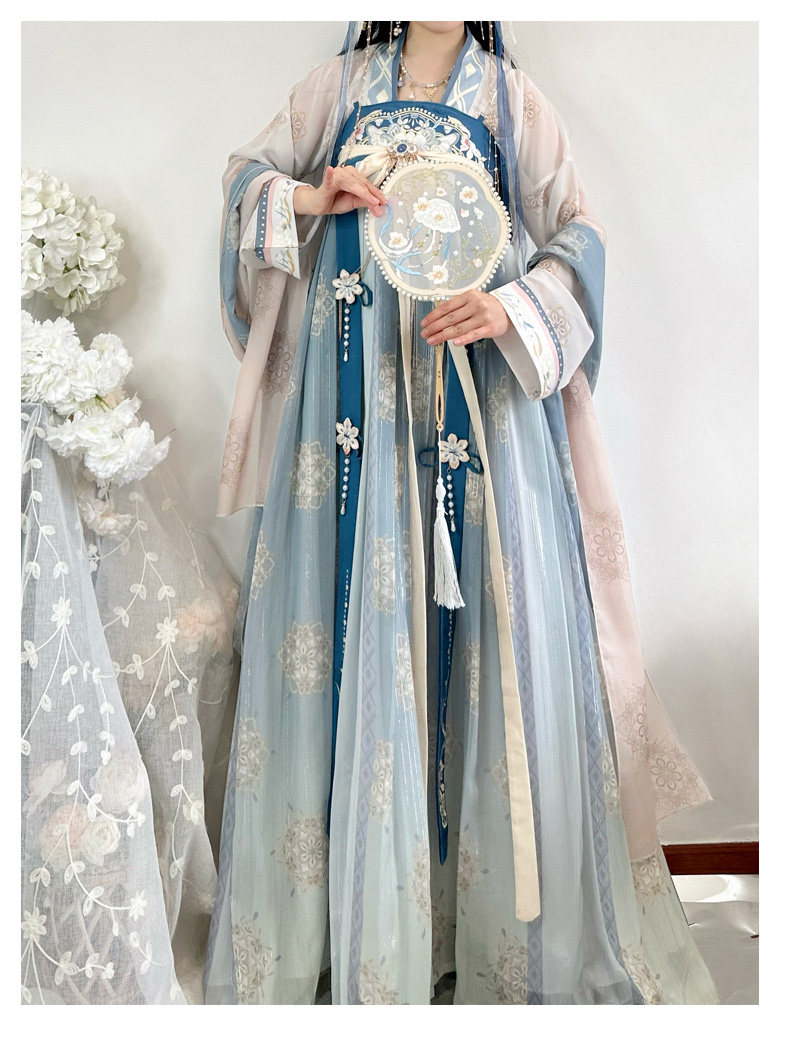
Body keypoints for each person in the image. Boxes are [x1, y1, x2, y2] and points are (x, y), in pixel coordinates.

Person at [205, 20, 718, 1005]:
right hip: (350, 402)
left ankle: (467, 924)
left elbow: (578, 236)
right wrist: (313, 195)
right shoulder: (336, 87)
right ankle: (353, 923)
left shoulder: (511, 102)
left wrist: (511, 307)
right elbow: (246, 180)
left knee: (481, 630)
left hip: (474, 401)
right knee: (348, 620)